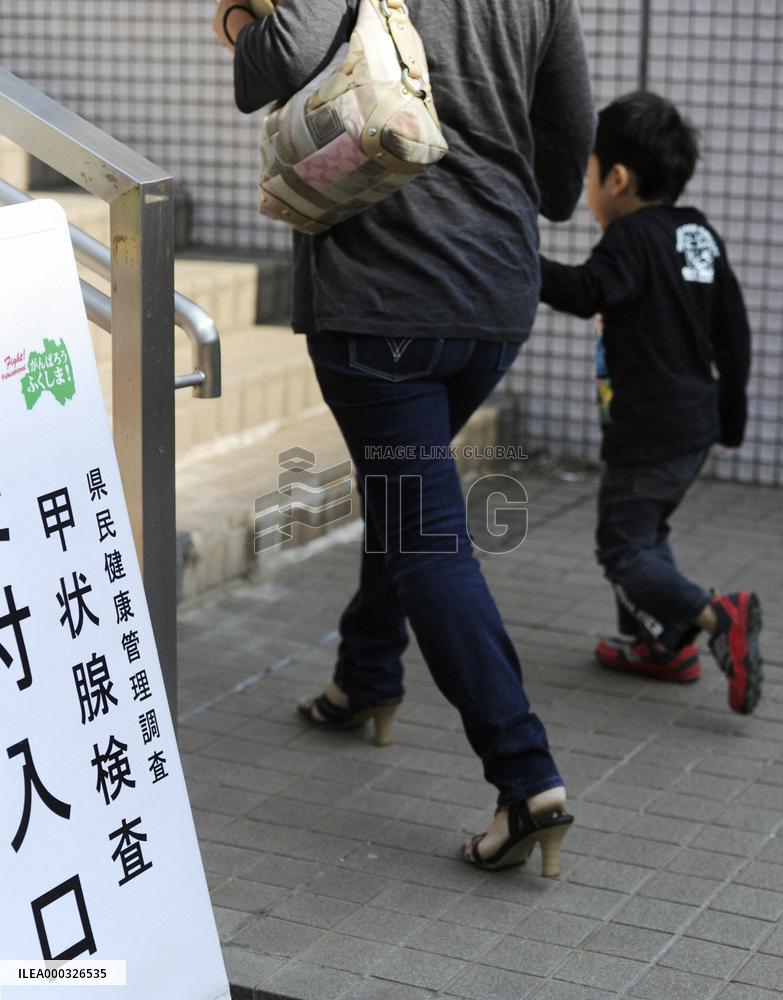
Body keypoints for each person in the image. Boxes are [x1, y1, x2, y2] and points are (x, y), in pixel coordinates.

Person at [212, 0, 595, 873]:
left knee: (425, 536)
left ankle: (525, 778)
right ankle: (365, 677)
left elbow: (285, 52)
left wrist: (235, 26)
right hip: (494, 296)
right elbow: (568, 127)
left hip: (379, 295)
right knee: (405, 494)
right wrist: (535, 191)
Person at [539, 91, 762, 714]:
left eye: (589, 173)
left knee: (623, 546)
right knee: (645, 533)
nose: (587, 188)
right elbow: (734, 332)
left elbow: (586, 291)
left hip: (648, 428)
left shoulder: (630, 238)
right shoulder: (698, 235)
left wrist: (521, 263)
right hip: (694, 425)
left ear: (616, 178)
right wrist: (732, 419)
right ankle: (657, 647)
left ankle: (716, 618)